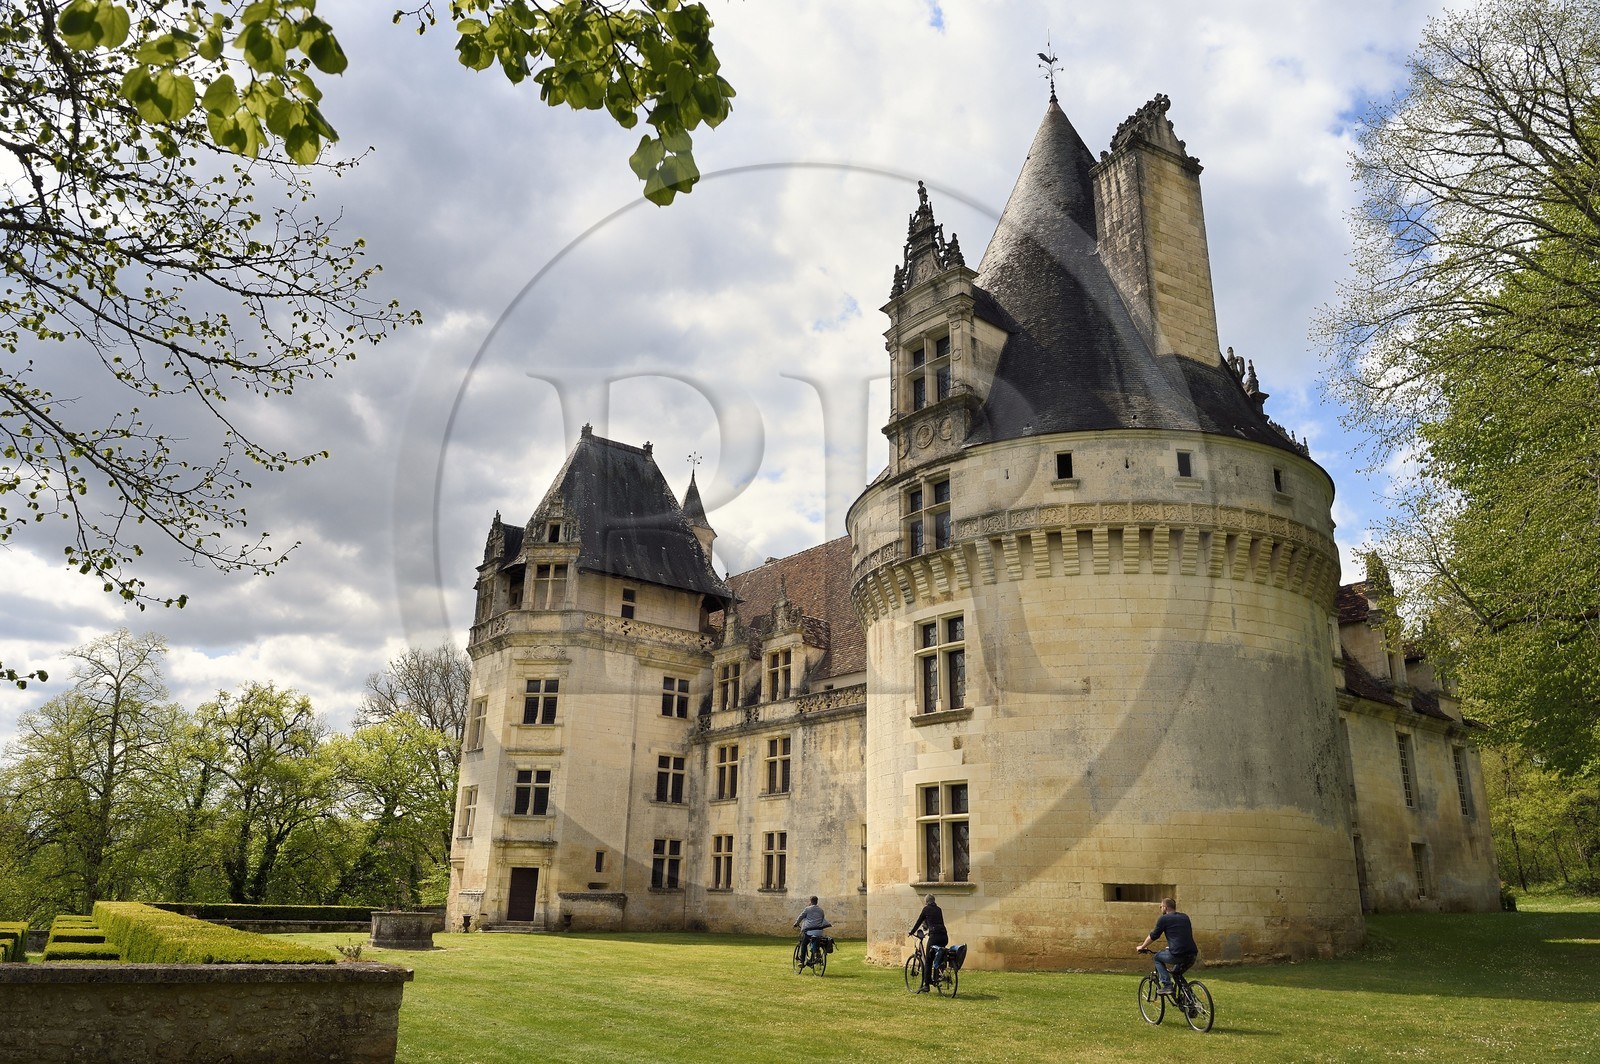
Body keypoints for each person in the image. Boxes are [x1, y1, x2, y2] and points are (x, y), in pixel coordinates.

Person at [1136, 897, 1198, 994]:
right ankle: (1190, 999)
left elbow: (1154, 935)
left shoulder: (1164, 919)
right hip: (1192, 954)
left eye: (1160, 907)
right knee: (1176, 973)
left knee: (1156, 957)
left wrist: (1142, 946)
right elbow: (1181, 934)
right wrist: (1172, 947)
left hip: (1178, 955)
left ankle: (1167, 985)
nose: (1160, 909)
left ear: (1165, 907)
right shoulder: (1185, 917)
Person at [908, 893, 947, 992]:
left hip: (935, 937)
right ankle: (938, 975)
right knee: (939, 955)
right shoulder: (939, 909)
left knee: (928, 960)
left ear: (926, 902)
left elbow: (919, 922)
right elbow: (937, 922)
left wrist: (912, 932)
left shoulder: (926, 909)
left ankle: (926, 986)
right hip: (944, 936)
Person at [793, 896, 830, 968]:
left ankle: (802, 961)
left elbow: (801, 916)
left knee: (804, 944)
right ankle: (814, 955)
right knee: (815, 941)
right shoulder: (821, 910)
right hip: (819, 932)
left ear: (810, 901)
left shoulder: (807, 909)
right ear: (817, 901)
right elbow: (822, 919)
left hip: (810, 931)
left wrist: (796, 923)